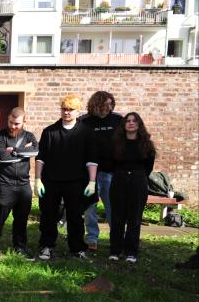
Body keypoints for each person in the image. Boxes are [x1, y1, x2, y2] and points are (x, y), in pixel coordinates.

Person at [35, 94, 98, 260]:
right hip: (51, 181)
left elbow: (91, 160)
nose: (67, 112)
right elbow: (41, 158)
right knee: (48, 215)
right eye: (64, 109)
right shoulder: (50, 131)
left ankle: (77, 248)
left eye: (71, 109)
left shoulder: (86, 132)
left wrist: (92, 182)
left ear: (78, 111)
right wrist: (37, 179)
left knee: (75, 216)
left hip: (77, 181)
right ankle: (46, 246)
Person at [0, 107, 38, 261]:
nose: (13, 126)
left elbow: (35, 151)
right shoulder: (0, 137)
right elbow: (2, 157)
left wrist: (14, 150)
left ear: (24, 122)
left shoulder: (29, 136)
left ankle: (20, 247)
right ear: (8, 119)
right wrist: (23, 152)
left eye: (17, 124)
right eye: (11, 122)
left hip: (23, 184)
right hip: (4, 184)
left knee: (22, 219)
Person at [108, 112, 156, 263]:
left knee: (134, 218)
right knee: (117, 218)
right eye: (128, 121)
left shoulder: (146, 144)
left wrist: (136, 175)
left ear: (139, 124)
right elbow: (111, 164)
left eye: (134, 121)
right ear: (123, 124)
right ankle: (115, 251)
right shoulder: (116, 143)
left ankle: (131, 252)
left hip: (138, 181)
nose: (130, 123)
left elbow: (149, 167)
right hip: (119, 180)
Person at [80, 91, 123, 251]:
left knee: (113, 206)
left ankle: (116, 237)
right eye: (106, 104)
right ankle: (92, 238)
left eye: (111, 104)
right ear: (96, 104)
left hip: (111, 171)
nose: (109, 107)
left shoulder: (118, 120)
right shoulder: (84, 121)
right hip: (90, 172)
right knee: (90, 207)